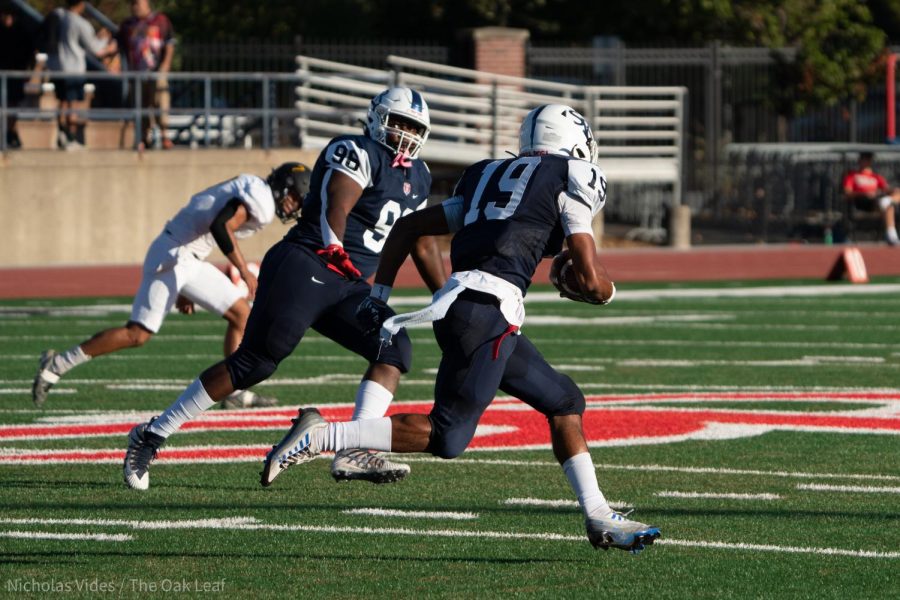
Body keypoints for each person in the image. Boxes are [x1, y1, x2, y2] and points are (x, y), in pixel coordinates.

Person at [260, 104, 662, 554]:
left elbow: (410, 227)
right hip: (486, 311)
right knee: (448, 435)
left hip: (469, 307)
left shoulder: (488, 173)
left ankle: (598, 513)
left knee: (565, 400)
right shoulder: (573, 174)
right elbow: (590, 278)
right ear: (574, 140)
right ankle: (322, 436)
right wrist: (603, 291)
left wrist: (380, 295)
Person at [121, 87, 447, 491]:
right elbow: (336, 205)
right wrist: (334, 244)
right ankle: (151, 434)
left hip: (348, 285)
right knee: (255, 363)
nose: (406, 133)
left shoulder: (420, 175)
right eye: (399, 122)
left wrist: (443, 292)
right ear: (378, 117)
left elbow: (416, 238)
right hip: (307, 262)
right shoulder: (355, 149)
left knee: (394, 348)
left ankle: (354, 448)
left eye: (414, 127)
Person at [32, 163, 311, 410]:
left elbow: (208, 229)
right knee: (137, 335)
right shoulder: (260, 199)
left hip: (187, 257)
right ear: (284, 187)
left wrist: (184, 286)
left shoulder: (255, 189)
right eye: (296, 197)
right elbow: (220, 225)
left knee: (241, 314)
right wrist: (242, 269)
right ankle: (57, 364)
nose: (295, 205)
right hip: (174, 254)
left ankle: (234, 392)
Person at [46, 0, 117, 149]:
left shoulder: (58, 15)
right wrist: (107, 42)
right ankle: (70, 138)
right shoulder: (78, 22)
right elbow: (95, 49)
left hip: (57, 67)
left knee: (62, 102)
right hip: (73, 69)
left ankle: (62, 135)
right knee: (73, 105)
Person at [117, 0, 175, 150]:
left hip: (156, 70)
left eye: (138, 3)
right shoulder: (128, 24)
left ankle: (164, 135)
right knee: (140, 104)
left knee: (160, 100)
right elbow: (119, 46)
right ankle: (144, 137)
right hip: (137, 72)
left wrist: (166, 64)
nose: (134, 7)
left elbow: (170, 43)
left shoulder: (160, 20)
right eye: (133, 4)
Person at [842, 151, 900, 245]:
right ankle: (885, 202)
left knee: (892, 200)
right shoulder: (852, 176)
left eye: (868, 159)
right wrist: (863, 193)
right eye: (864, 159)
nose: (867, 162)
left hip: (878, 199)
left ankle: (892, 235)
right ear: (860, 161)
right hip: (863, 202)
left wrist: (893, 191)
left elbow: (886, 188)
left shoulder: (876, 177)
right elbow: (847, 193)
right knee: (887, 205)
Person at [0, 1, 33, 149]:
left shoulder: (21, 32)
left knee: (13, 104)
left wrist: (27, 70)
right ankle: (8, 133)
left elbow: (28, 53)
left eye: (10, 16)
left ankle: (10, 132)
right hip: (3, 74)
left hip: (15, 74)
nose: (7, 19)